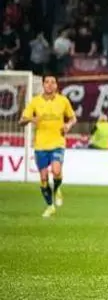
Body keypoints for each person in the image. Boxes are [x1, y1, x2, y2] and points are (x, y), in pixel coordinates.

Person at [19, 75, 77, 217]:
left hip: (58, 142)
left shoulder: (63, 101)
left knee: (56, 171)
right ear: (43, 84)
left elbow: (73, 118)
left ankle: (57, 189)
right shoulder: (35, 102)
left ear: (56, 85)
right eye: (47, 82)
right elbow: (21, 121)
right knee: (44, 178)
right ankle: (50, 206)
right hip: (40, 145)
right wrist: (32, 119)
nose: (50, 85)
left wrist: (68, 125)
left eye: (53, 82)